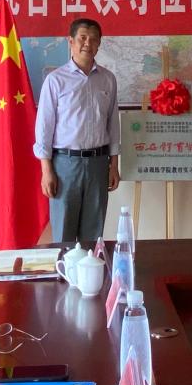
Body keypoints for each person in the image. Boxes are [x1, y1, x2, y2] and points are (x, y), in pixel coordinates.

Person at [35, 18, 121, 244]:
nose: (87, 43)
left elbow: (113, 123)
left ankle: (90, 270)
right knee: (64, 234)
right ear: (71, 41)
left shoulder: (108, 79)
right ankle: (64, 270)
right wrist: (46, 170)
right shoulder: (55, 80)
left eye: (93, 39)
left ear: (99, 44)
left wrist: (114, 164)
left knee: (93, 236)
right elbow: (44, 127)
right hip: (65, 165)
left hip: (98, 164)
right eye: (82, 38)